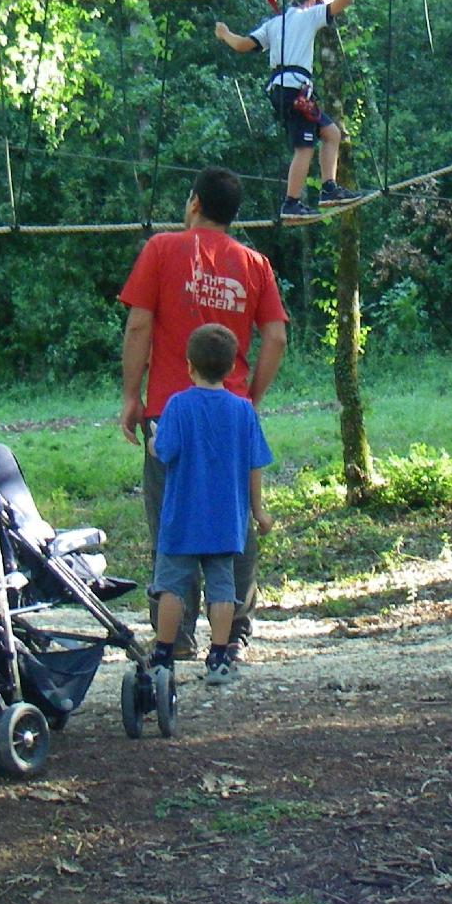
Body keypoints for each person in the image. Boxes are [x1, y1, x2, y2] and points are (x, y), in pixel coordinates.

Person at [118, 166, 288, 660]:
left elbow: (139, 327)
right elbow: (275, 336)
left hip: (170, 411)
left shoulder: (161, 249)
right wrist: (250, 397)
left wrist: (132, 395)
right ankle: (232, 632)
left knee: (170, 520)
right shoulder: (255, 263)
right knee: (232, 518)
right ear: (233, 215)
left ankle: (174, 637)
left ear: (193, 203)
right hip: (230, 410)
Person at [150, 324, 275, 684]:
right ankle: (219, 658)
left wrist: (154, 442)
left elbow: (165, 452)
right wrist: (258, 510)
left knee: (171, 585)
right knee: (222, 587)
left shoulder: (177, 405)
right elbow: (254, 464)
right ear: (232, 368)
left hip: (182, 519)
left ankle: (163, 655)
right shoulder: (243, 411)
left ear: (189, 366)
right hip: (225, 520)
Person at [214, 0, 357, 220]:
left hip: (285, 90)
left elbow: (243, 45)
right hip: (294, 89)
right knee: (304, 147)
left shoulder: (275, 23)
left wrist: (224, 34)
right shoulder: (309, 15)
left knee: (331, 133)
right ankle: (291, 202)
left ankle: (329, 189)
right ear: (314, 1)